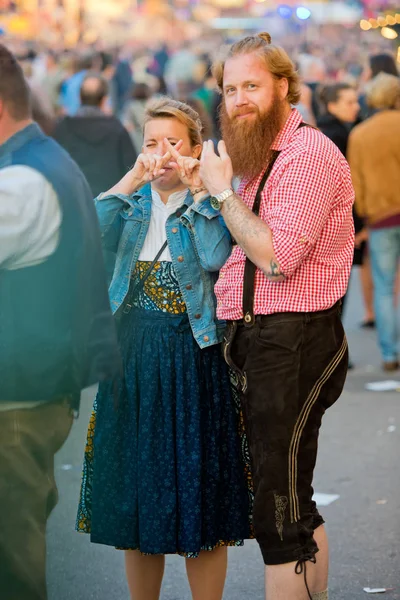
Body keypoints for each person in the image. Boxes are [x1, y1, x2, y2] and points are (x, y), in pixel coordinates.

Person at [76, 97, 252, 600]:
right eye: (151, 143)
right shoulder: (130, 205)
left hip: (195, 362)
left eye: (174, 142)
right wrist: (129, 180)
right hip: (131, 364)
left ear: (196, 150)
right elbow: (84, 235)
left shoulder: (209, 205)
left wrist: (204, 194)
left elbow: (218, 255)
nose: (162, 153)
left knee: (204, 499)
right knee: (136, 496)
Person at [199, 33, 354, 600]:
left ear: (282, 86)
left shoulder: (307, 154)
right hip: (263, 338)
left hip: (293, 340)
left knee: (277, 511)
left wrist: (221, 194)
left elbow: (275, 256)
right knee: (293, 500)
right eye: (230, 88)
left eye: (252, 86)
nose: (238, 99)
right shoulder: (260, 152)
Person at [0, 44, 120, 600]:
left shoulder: (19, 184)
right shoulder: (39, 161)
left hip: (16, 405)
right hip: (33, 393)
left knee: (13, 570)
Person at [348, 73, 400, 371]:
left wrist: (365, 218)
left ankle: (390, 354)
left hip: (380, 218)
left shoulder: (360, 134)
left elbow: (357, 183)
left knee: (383, 286)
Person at [317, 84, 374, 352]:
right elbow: (347, 188)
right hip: (339, 226)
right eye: (349, 102)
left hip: (332, 225)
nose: (356, 107)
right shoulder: (337, 136)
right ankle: (333, 351)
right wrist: (358, 227)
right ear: (332, 106)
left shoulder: (333, 132)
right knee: (337, 292)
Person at [54, 73, 136, 198]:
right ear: (104, 100)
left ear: (79, 98)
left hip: (74, 200)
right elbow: (131, 170)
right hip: (109, 202)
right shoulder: (117, 129)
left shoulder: (62, 128)